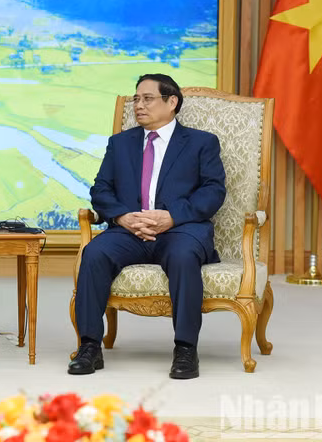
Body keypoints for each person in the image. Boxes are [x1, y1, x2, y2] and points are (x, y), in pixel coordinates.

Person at [69, 74, 226, 379]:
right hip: (129, 230)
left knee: (183, 256)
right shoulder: (120, 144)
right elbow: (101, 189)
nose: (138, 106)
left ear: (172, 103)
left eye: (147, 99)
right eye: (136, 99)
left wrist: (172, 217)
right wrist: (122, 217)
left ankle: (185, 350)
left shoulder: (201, 142)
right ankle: (89, 346)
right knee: (95, 253)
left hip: (179, 230)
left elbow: (213, 190)